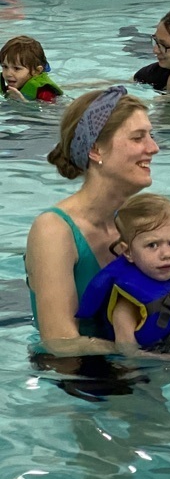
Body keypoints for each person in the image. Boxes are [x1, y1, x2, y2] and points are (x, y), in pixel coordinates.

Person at [25, 86, 159, 355]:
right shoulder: (54, 230)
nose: (153, 148)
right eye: (138, 138)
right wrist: (156, 359)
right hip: (85, 385)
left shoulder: (139, 220)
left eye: (151, 136)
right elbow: (60, 342)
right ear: (96, 149)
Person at [77, 193, 170, 353]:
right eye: (152, 245)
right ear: (128, 252)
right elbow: (129, 354)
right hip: (156, 368)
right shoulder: (126, 305)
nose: (166, 254)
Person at [1, 35, 63, 102]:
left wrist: (23, 102)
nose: (8, 74)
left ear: (36, 71)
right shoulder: (12, 86)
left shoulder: (44, 93)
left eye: (16, 68)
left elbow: (51, 111)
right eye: (5, 67)